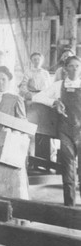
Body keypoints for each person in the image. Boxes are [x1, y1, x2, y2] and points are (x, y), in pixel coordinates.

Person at [33, 56, 81, 206]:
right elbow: (37, 96)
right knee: (68, 168)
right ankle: (69, 206)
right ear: (65, 69)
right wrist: (54, 102)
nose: (74, 69)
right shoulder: (58, 85)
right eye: (71, 66)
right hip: (65, 131)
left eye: (77, 66)